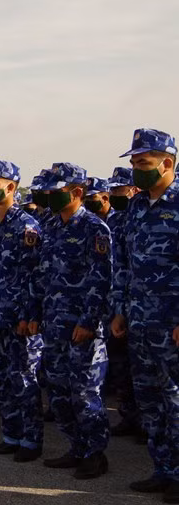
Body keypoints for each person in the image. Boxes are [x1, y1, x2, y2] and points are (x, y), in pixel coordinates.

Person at [111, 129, 179, 502]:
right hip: (139, 320)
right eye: (134, 162)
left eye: (143, 162)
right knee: (150, 400)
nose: (136, 169)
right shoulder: (137, 207)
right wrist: (120, 310)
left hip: (171, 324)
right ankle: (164, 469)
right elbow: (124, 264)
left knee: (176, 400)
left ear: (167, 163)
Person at [31, 162, 111, 479]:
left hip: (82, 327)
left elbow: (101, 279)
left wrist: (89, 321)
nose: (50, 196)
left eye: (57, 191)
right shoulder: (50, 226)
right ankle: (76, 446)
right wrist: (35, 315)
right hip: (53, 323)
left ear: (77, 192)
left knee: (85, 392)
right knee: (59, 390)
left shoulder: (94, 228)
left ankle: (95, 453)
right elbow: (41, 276)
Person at [0, 160, 44, 462]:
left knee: (24, 380)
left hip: (19, 318)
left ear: (12, 187)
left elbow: (35, 275)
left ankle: (30, 440)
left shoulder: (27, 226)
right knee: (2, 381)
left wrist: (29, 315)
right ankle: (10, 435)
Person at [104, 167, 142, 439]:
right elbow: (119, 267)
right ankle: (130, 416)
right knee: (122, 367)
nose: (115, 194)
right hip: (123, 304)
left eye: (120, 189)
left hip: (155, 311)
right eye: (113, 189)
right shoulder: (118, 220)